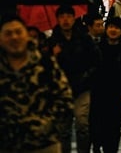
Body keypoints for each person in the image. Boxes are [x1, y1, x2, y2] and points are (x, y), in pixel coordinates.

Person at [0, 14, 73, 153]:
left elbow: (65, 99)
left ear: (27, 36)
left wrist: (46, 126)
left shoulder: (45, 63)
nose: (14, 37)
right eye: (8, 33)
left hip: (44, 144)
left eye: (18, 32)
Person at [47, 4, 100, 153]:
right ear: (57, 19)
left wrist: (86, 77)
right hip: (61, 90)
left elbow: (96, 60)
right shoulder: (53, 41)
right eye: (62, 17)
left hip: (82, 87)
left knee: (82, 125)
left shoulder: (83, 38)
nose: (65, 20)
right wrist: (53, 55)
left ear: (74, 18)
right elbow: (45, 66)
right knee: (63, 129)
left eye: (69, 17)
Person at [89, 16, 121, 153]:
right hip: (98, 96)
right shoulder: (97, 48)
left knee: (113, 131)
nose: (113, 30)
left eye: (116, 28)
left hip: (118, 98)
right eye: (110, 27)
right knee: (97, 129)